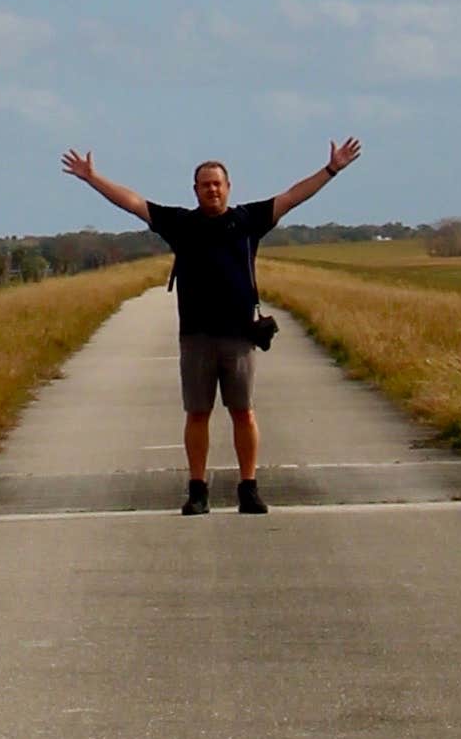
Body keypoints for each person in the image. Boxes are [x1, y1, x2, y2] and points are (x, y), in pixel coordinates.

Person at [60, 133, 362, 510]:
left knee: (243, 412)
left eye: (217, 184)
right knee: (197, 413)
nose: (212, 190)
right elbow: (135, 204)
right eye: (205, 185)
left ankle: (248, 487)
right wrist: (92, 178)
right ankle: (198, 490)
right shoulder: (181, 224)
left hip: (239, 338)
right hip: (196, 338)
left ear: (228, 187)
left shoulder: (249, 220)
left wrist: (332, 169)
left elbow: (292, 196)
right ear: (195, 190)